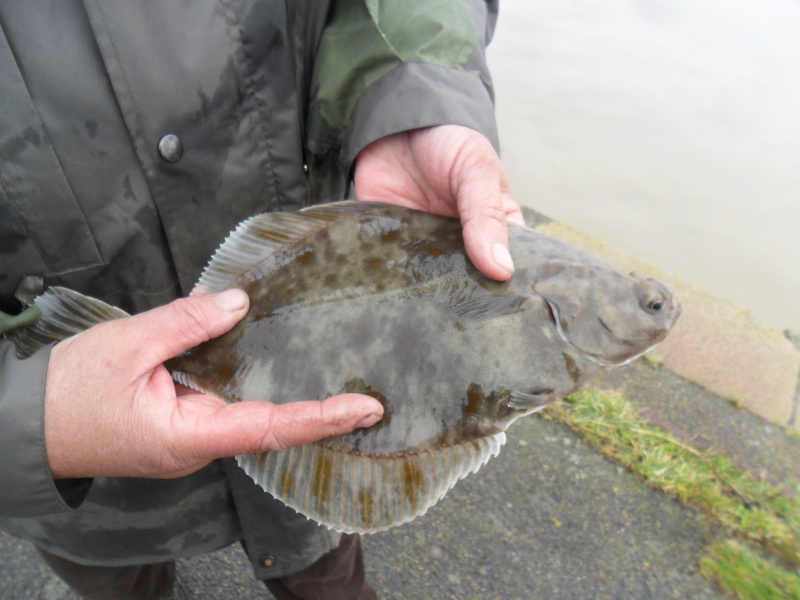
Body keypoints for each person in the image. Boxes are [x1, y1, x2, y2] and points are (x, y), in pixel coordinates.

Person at [0, 1, 523, 598]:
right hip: (83, 491)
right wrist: (25, 417)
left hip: (314, 437)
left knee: (325, 577)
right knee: (119, 584)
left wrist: (414, 96)